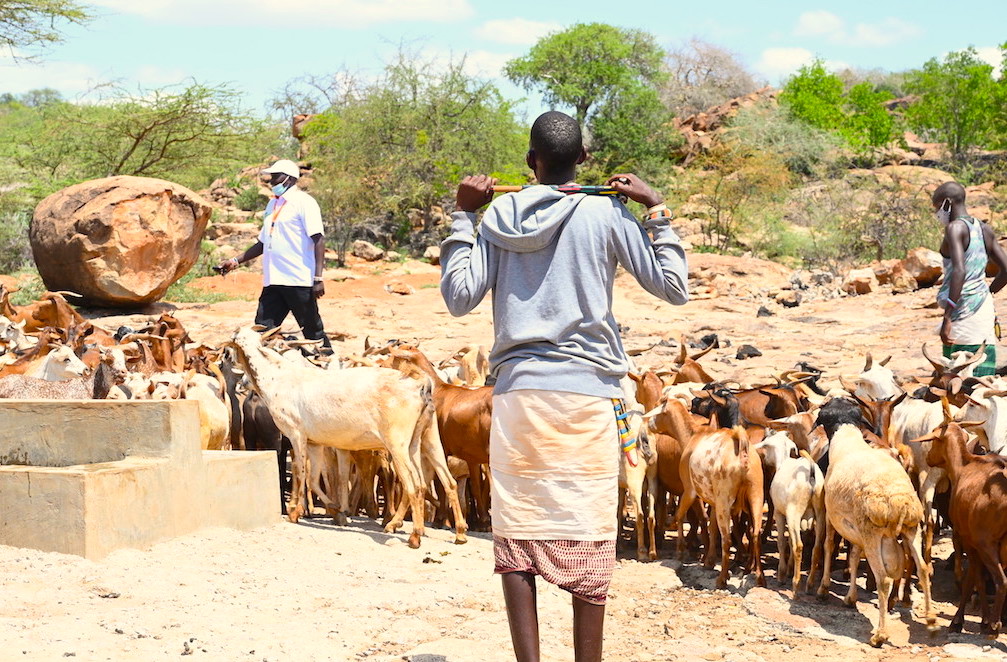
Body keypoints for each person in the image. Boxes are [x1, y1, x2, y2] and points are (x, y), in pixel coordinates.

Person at [440, 111, 689, 662]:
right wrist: (656, 208)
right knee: (588, 524)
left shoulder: (498, 213)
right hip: (589, 396)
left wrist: (463, 216)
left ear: (531, 162)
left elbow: (459, 297)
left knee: (517, 527)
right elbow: (674, 287)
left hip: (518, 397)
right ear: (584, 161)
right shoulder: (607, 211)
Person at [216, 159, 332, 354]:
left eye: (275, 177)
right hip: (274, 280)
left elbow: (318, 240)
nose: (271, 182)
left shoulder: (304, 202)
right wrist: (235, 261)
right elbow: (263, 243)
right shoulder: (273, 204)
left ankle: (329, 364)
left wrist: (318, 278)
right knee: (262, 329)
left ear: (289, 178)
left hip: (298, 279)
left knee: (312, 329)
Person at [934, 180, 1007, 376]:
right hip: (983, 309)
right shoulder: (984, 229)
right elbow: (1006, 270)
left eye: (937, 207)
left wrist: (947, 317)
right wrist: (986, 294)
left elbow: (959, 271)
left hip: (962, 311)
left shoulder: (954, 228)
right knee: (984, 375)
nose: (937, 214)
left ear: (947, 203)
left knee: (958, 379)